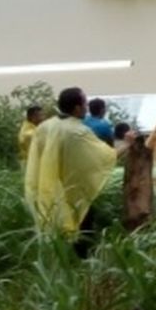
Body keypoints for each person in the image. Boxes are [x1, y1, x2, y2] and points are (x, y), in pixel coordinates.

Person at [24, 87, 119, 254]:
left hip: (50, 187)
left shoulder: (45, 126)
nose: (87, 107)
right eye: (85, 103)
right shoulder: (77, 131)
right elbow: (105, 156)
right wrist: (127, 144)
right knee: (82, 227)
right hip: (75, 192)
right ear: (77, 108)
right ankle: (83, 266)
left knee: (56, 224)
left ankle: (62, 263)